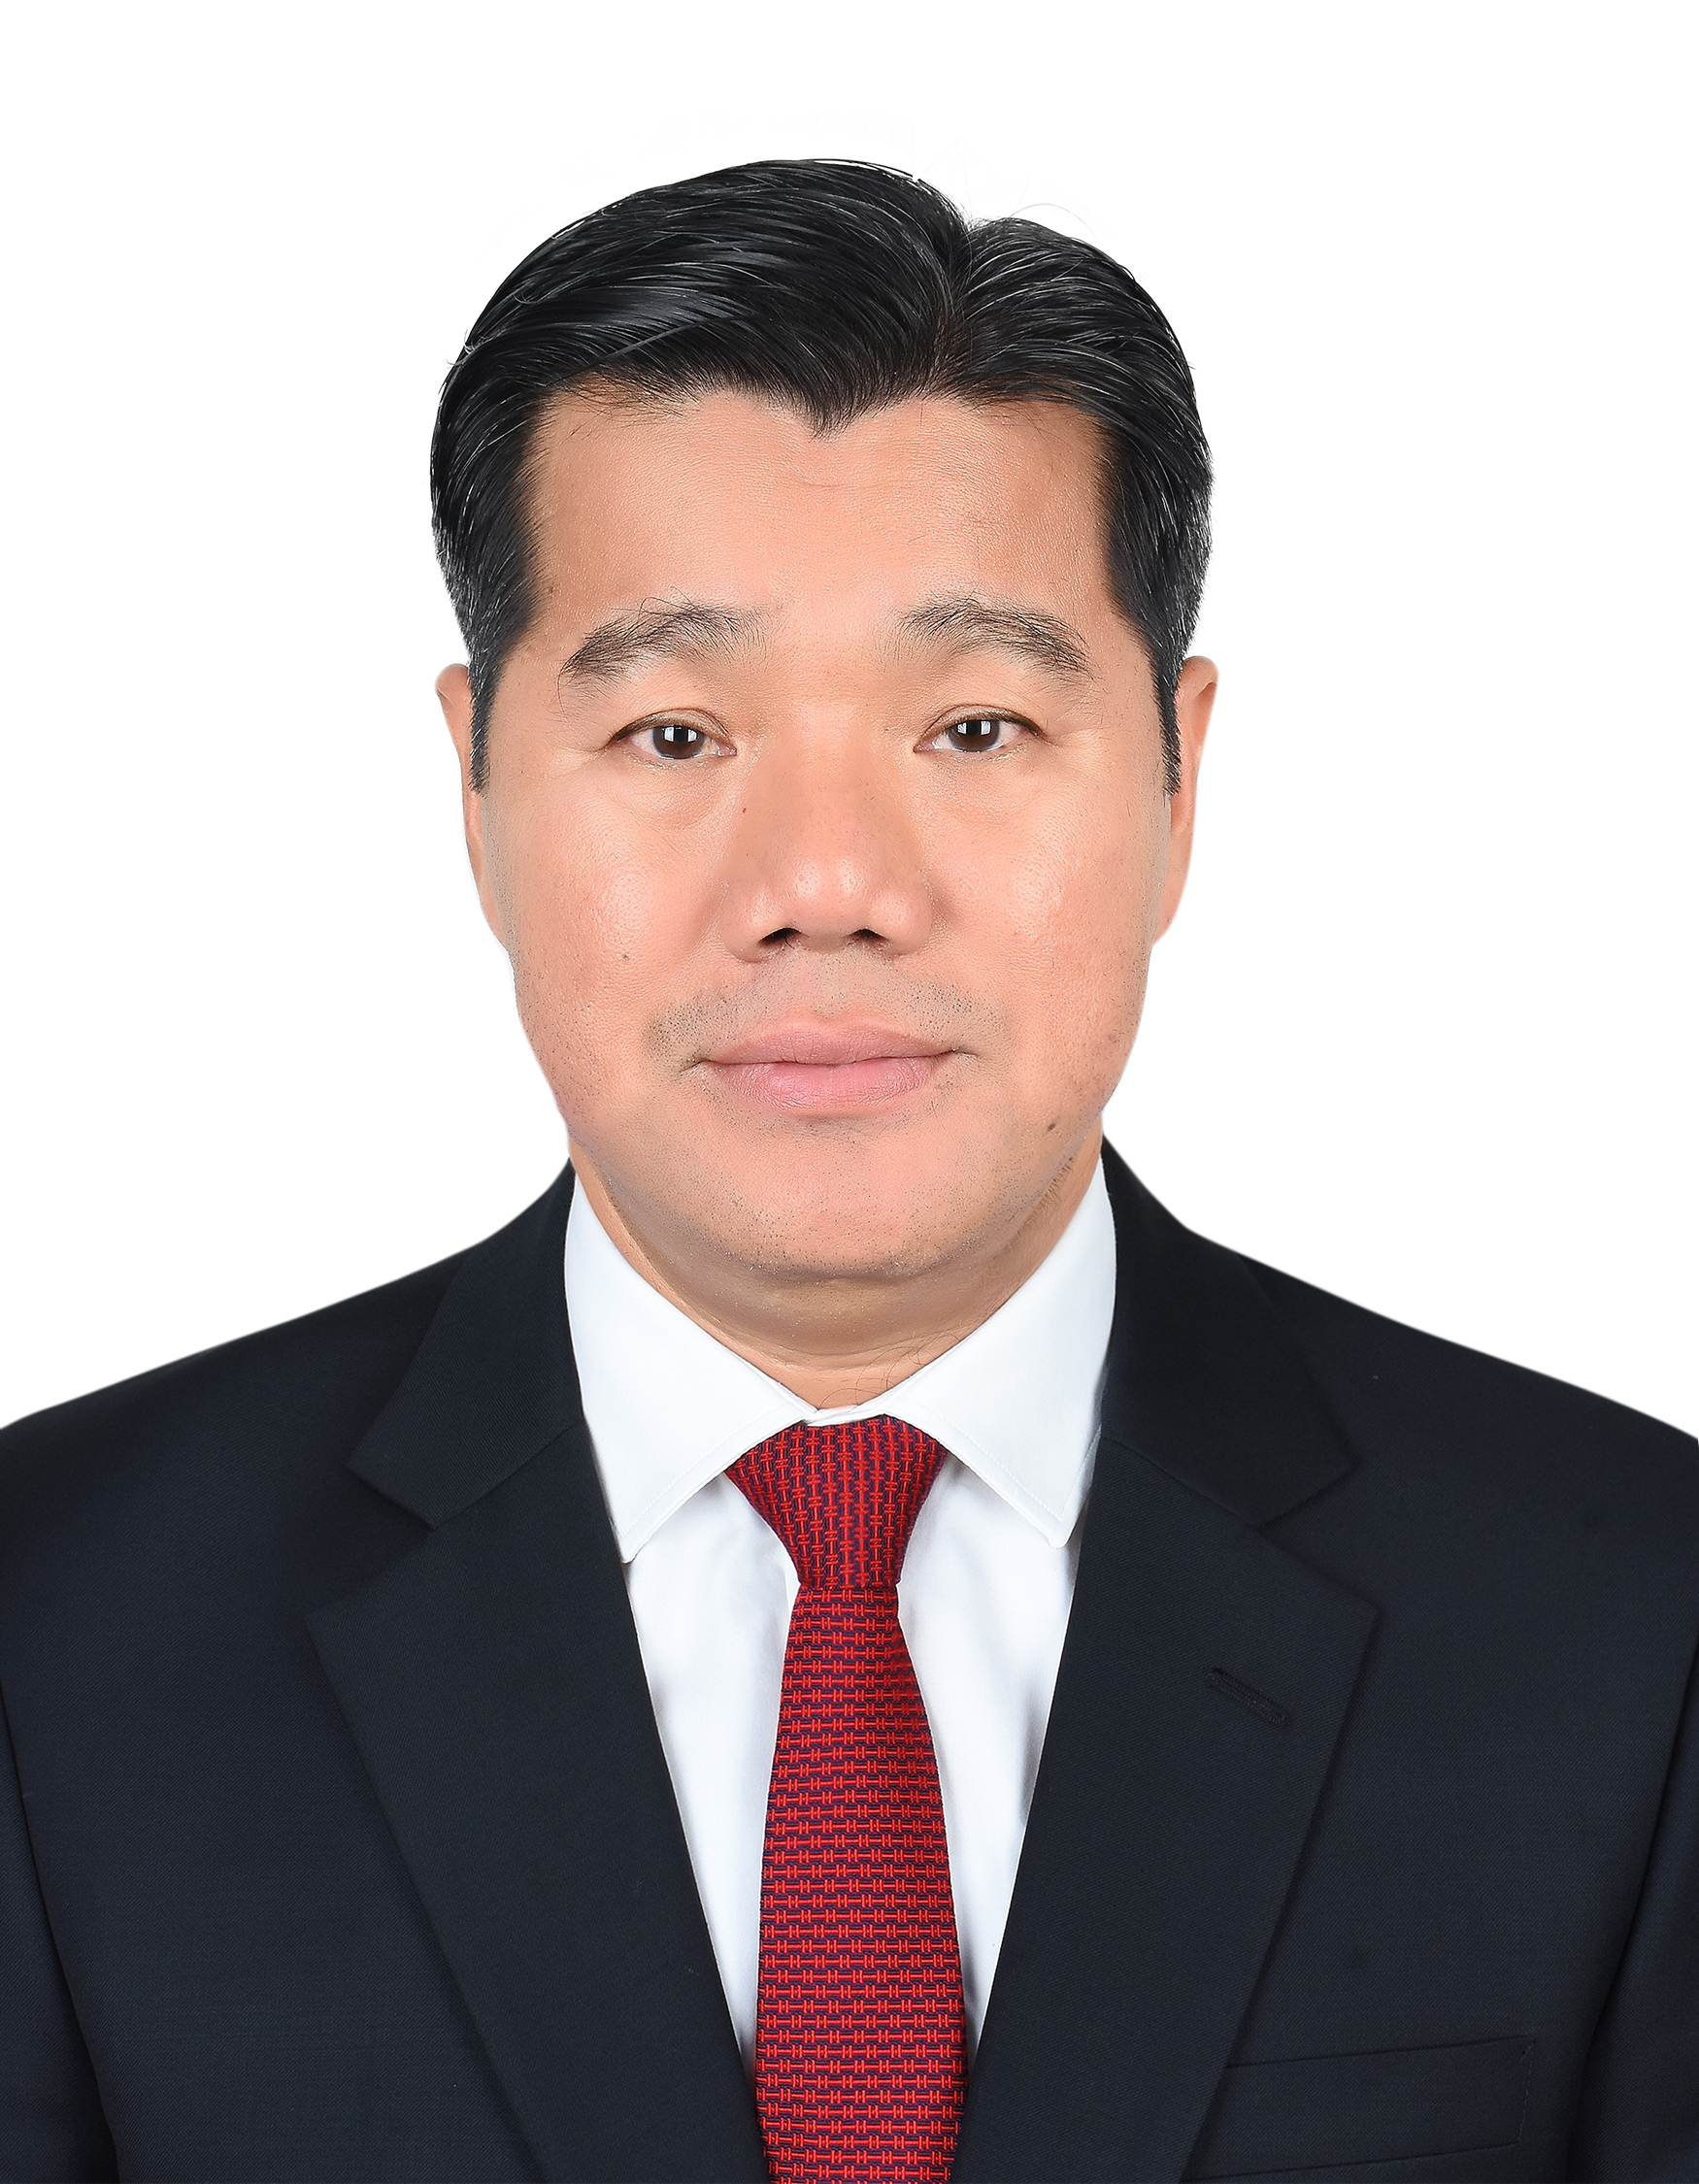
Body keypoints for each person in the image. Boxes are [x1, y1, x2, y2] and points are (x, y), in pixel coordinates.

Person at [0, 158, 1692, 2184]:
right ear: (475, 788)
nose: (822, 886)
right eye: (672, 736)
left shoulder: (1633, 1618)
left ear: (1177, 781)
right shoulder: (53, 1626)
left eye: (972, 729)